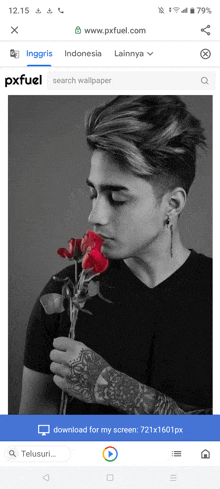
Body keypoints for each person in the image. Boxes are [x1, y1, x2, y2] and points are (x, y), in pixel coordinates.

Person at [19, 96, 212, 415]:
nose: (95, 215)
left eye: (118, 199)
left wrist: (114, 388)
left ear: (172, 205)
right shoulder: (66, 291)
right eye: (94, 194)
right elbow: (31, 433)